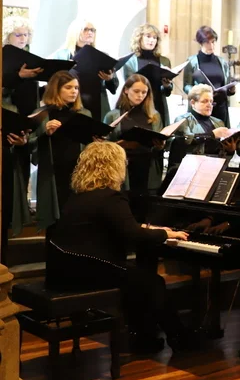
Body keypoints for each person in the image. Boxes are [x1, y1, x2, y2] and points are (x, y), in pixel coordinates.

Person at [47, 141, 191, 353]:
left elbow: (118, 225)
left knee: (136, 279)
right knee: (152, 282)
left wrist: (146, 228)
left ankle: (144, 337)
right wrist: (164, 234)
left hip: (66, 268)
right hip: (87, 270)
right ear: (114, 165)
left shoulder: (81, 195)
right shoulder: (111, 197)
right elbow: (132, 234)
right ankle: (178, 338)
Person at [31, 71, 93, 231]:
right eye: (68, 87)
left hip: (78, 172)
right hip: (52, 173)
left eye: (76, 88)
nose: (74, 91)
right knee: (54, 221)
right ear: (56, 89)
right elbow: (29, 144)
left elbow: (89, 145)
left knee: (77, 220)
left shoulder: (84, 113)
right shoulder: (42, 113)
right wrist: (45, 133)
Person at [3, 16, 39, 244]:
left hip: (26, 119)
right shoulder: (3, 57)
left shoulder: (30, 59)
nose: (23, 38)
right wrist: (18, 76)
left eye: (26, 35)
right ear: (7, 36)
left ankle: (22, 209)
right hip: (6, 118)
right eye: (18, 34)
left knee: (23, 166)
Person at [105, 74, 165, 195]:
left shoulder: (154, 115)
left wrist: (160, 145)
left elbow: (159, 144)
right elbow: (103, 145)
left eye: (144, 92)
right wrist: (118, 145)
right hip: (122, 168)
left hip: (147, 167)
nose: (140, 95)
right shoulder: (113, 115)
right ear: (126, 90)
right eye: (136, 91)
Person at [51, 18, 118, 123]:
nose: (90, 33)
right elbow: (53, 83)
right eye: (86, 29)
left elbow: (114, 87)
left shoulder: (102, 56)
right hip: (71, 103)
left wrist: (109, 79)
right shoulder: (61, 55)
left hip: (97, 102)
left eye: (92, 30)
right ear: (75, 32)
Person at [122, 24, 175, 127]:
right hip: (138, 104)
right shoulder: (130, 61)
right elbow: (128, 85)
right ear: (139, 38)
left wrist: (167, 85)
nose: (152, 40)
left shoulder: (164, 61)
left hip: (158, 103)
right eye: (148, 36)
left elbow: (167, 92)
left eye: (155, 38)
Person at [183, 26, 234, 125]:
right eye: (207, 42)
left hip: (220, 107)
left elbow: (226, 86)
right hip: (201, 107)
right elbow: (186, 86)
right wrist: (199, 93)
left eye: (213, 42)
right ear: (201, 43)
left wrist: (231, 90)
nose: (211, 45)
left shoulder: (222, 62)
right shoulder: (192, 61)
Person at [171, 84, 237, 160]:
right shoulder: (182, 120)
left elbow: (222, 152)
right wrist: (212, 135)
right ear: (193, 103)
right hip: (190, 164)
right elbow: (187, 140)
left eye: (211, 101)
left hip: (214, 164)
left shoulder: (218, 122)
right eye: (204, 101)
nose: (209, 105)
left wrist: (230, 150)